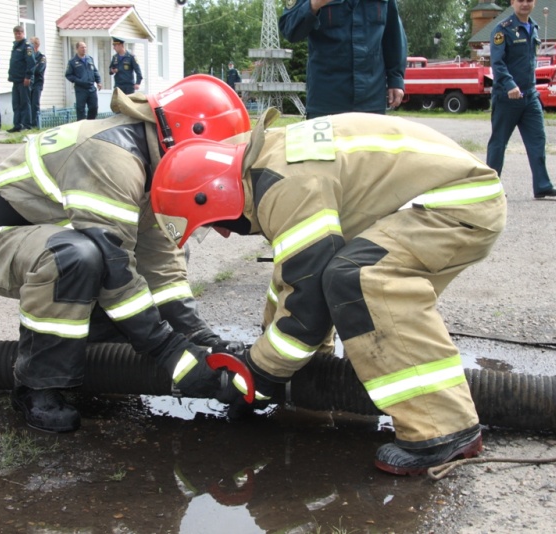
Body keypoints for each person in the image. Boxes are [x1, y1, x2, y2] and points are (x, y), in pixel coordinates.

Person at [150, 108, 507, 475]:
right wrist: (272, 360)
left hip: (460, 204)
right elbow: (294, 279)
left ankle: (444, 429)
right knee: (320, 269)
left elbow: (307, 310)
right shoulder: (266, 166)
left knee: (362, 278)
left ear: (217, 195)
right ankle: (320, 369)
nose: (224, 232)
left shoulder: (285, 187)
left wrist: (258, 375)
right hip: (437, 197)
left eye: (213, 224)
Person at [0, 75, 251, 433]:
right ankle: (38, 384)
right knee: (79, 258)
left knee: (126, 266)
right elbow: (115, 269)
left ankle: (93, 354)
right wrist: (173, 355)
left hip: (55, 237)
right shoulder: (113, 159)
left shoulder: (153, 158)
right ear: (185, 138)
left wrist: (203, 339)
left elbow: (162, 265)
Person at [486, 0, 556, 199]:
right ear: (512, 2)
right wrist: (509, 84)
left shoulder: (534, 27)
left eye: (529, 0)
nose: (525, 4)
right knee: (499, 143)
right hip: (508, 96)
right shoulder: (502, 30)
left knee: (537, 140)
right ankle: (489, 189)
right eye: (520, 0)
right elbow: (497, 63)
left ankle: (542, 185)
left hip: (530, 96)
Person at [279, 0, 407, 119]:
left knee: (370, 143)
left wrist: (396, 79)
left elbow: (393, 34)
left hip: (371, 98)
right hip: (326, 99)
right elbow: (289, 29)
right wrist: (313, 5)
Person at [7, 26, 35, 133]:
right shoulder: (15, 46)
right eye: (16, 33)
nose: (18, 35)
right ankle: (17, 125)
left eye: (20, 33)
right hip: (16, 79)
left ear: (23, 33)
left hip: (24, 80)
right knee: (16, 103)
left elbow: (31, 63)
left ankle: (26, 124)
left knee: (25, 103)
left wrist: (28, 77)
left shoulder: (27, 46)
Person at [66, 41, 102, 120]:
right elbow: (68, 75)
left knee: (94, 107)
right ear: (77, 49)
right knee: (80, 109)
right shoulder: (72, 62)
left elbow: (95, 71)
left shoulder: (90, 59)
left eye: (85, 47)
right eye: (82, 47)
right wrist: (78, 80)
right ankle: (81, 124)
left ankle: (90, 123)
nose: (84, 49)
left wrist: (98, 81)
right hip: (81, 89)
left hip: (91, 87)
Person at [29, 36, 46, 128]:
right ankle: (27, 123)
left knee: (35, 103)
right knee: (27, 103)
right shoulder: (28, 56)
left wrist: (31, 68)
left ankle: (35, 124)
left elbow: (39, 70)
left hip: (37, 83)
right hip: (28, 82)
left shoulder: (41, 57)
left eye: (32, 43)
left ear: (36, 45)